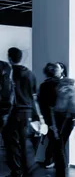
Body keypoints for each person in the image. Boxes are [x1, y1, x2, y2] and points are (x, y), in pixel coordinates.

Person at [2, 47, 41, 177]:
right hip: (28, 113)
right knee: (25, 143)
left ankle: (16, 170)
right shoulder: (30, 74)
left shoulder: (10, 73)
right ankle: (27, 171)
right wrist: (37, 116)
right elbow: (33, 97)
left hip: (15, 112)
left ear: (9, 57)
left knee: (10, 141)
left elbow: (7, 94)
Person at [38, 62, 75, 177]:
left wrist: (46, 122)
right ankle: (60, 171)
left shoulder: (45, 86)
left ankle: (60, 172)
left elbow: (43, 106)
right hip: (68, 121)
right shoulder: (67, 84)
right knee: (60, 147)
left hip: (54, 121)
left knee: (58, 149)